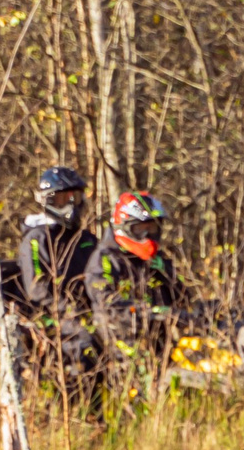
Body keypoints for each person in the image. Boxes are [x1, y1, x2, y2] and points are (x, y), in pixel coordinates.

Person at [86, 190, 191, 379]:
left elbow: (183, 296)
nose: (147, 235)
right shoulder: (105, 259)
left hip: (162, 340)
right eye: (141, 228)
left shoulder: (156, 259)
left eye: (152, 228)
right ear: (124, 227)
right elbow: (104, 300)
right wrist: (144, 312)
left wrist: (166, 274)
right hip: (121, 342)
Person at [18, 165, 101, 391]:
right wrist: (71, 312)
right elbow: (37, 289)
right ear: (49, 200)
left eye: (75, 198)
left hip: (91, 313)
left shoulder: (86, 239)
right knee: (85, 343)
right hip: (53, 317)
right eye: (63, 199)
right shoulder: (37, 238)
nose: (71, 204)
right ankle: (82, 404)